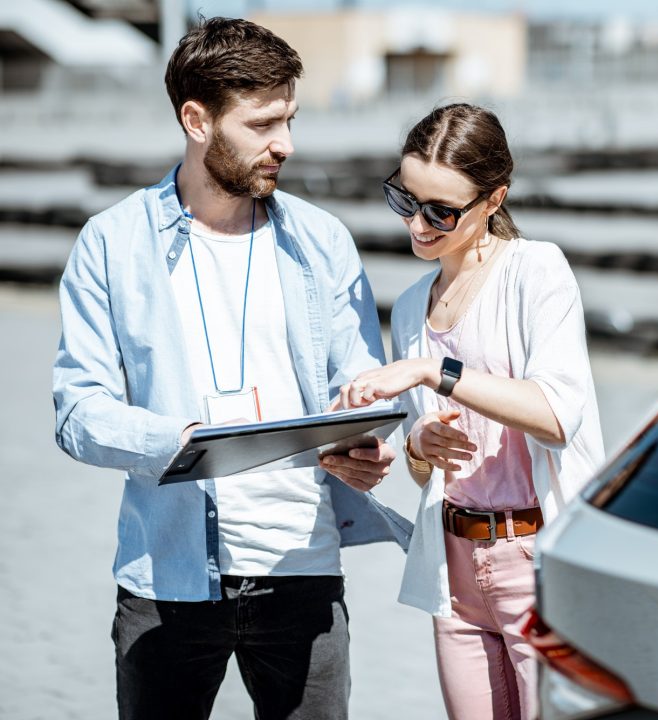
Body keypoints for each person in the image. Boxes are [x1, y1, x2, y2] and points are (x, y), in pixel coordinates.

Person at [51, 17, 410, 720]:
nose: (287, 143)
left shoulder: (323, 241)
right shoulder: (111, 244)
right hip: (166, 579)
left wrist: (366, 445)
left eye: (291, 119)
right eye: (264, 123)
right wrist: (174, 441)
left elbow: (360, 381)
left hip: (303, 576)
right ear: (197, 119)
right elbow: (76, 411)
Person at [336, 103, 605, 720]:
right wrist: (418, 447)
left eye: (441, 211)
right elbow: (422, 473)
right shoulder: (410, 307)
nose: (419, 226)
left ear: (494, 199)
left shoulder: (536, 272)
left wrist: (437, 372)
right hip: (454, 566)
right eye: (406, 200)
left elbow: (559, 414)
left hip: (538, 558)